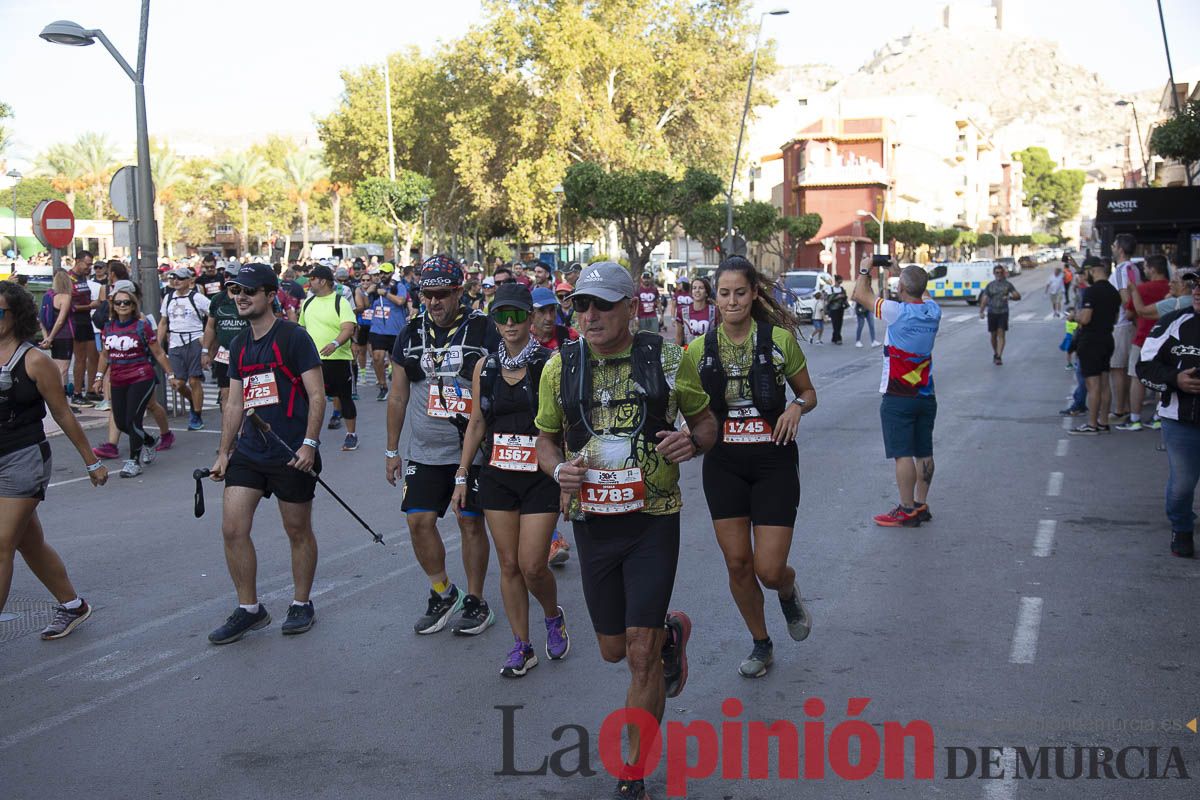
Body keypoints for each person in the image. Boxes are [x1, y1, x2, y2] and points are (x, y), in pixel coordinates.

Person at [534, 262, 717, 800]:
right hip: (592, 522)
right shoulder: (560, 367)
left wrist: (693, 442)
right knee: (615, 649)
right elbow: (545, 441)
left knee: (638, 652)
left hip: (653, 519)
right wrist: (555, 469)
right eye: (581, 306)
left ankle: (632, 770)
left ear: (630, 308)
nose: (589, 316)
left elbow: (705, 423)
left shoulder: (665, 357)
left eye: (602, 305)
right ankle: (670, 636)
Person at [687, 256, 816, 679]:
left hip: (773, 461)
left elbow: (808, 392)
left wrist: (796, 407)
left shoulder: (778, 339)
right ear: (714, 297)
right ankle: (761, 643)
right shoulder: (697, 349)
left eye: (740, 292)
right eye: (724, 293)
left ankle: (786, 589)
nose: (732, 300)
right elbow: (683, 406)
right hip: (723, 465)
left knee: (768, 568)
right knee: (739, 564)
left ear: (754, 293)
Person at [453, 283, 569, 677]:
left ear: (531, 318)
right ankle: (522, 645)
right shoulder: (485, 368)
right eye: (500, 316)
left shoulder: (550, 364)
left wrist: (569, 479)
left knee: (533, 564)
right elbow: (476, 423)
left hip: (540, 476)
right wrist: (462, 474)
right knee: (508, 564)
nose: (509, 323)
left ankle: (552, 615)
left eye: (517, 315)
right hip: (498, 476)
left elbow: (566, 426)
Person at [206, 263, 326, 643]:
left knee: (297, 530)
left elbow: (317, 395)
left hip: (292, 452)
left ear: (270, 295)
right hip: (251, 451)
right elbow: (234, 403)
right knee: (232, 528)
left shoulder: (294, 337)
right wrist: (224, 452)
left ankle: (301, 603)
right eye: (234, 291)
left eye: (248, 291)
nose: (240, 297)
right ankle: (249, 609)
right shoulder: (238, 345)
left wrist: (310, 444)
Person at [386, 255, 500, 636]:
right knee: (418, 521)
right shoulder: (409, 333)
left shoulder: (483, 329)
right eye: (426, 294)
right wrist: (391, 451)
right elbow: (398, 397)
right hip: (424, 451)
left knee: (469, 523)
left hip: (470, 449)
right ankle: (443, 591)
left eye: (441, 294)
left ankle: (476, 600)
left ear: (459, 291)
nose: (433, 302)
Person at [0, 280, 108, 639]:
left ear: (15, 317)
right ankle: (73, 605)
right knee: (28, 542)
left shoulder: (34, 361)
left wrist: (91, 461)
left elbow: (62, 414)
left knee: (2, 544)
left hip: (23, 460)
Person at [851, 257, 941, 527]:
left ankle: (906, 508)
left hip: (898, 395)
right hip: (926, 394)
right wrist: (903, 274)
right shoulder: (933, 310)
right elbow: (920, 288)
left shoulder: (897, 312)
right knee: (923, 450)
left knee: (903, 453)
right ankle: (921, 504)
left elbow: (859, 294)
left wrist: (865, 266)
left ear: (900, 288)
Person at [1136, 268, 1200, 558]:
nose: (1196, 291)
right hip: (1180, 421)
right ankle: (1182, 527)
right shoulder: (1173, 322)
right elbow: (1145, 366)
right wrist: (1176, 380)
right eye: (1195, 285)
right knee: (1183, 485)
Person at [92, 281, 176, 478]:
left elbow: (158, 352)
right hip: (118, 378)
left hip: (141, 377)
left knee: (133, 420)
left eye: (127, 303)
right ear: (113, 305)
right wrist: (98, 377)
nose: (122, 306)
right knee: (121, 423)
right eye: (119, 303)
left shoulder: (141, 326)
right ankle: (148, 441)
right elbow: (105, 355)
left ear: (133, 305)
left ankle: (133, 461)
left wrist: (171, 375)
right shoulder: (108, 327)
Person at [528, 287, 577, 566]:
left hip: (562, 418)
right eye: (541, 311)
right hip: (531, 418)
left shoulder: (567, 337)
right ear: (530, 314)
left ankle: (554, 533)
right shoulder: (523, 338)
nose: (548, 317)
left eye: (552, 310)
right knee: (539, 476)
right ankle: (552, 537)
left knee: (558, 475)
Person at [298, 264, 360, 451]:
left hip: (338, 359)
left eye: (312, 279)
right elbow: (301, 329)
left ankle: (351, 435)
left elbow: (348, 328)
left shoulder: (340, 302)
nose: (309, 282)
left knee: (344, 397)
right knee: (311, 399)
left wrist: (335, 344)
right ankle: (310, 438)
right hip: (312, 362)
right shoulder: (307, 303)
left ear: (323, 281)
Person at [1117, 255, 1171, 431]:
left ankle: (1135, 418)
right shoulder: (1172, 289)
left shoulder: (1142, 289)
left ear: (1153, 269)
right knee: (1161, 379)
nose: (1145, 271)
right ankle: (1158, 417)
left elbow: (1131, 313)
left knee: (1137, 377)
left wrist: (1132, 292)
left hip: (1143, 338)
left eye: (1146, 267)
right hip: (1167, 339)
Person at [1069, 258, 1122, 436]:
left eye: (1086, 273)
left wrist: (1073, 316)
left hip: (1091, 340)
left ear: (1092, 271)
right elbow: (1114, 319)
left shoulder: (1092, 292)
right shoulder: (1114, 292)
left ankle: (1092, 424)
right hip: (1107, 338)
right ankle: (1103, 422)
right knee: (1105, 384)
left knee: (1093, 386)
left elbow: (1085, 318)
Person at [159, 266, 211, 431]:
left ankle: (196, 414)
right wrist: (158, 344)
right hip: (175, 342)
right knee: (178, 382)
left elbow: (213, 316)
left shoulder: (198, 298)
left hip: (195, 339)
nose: (176, 281)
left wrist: (208, 340)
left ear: (190, 281)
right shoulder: (168, 298)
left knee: (194, 380)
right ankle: (193, 401)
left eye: (180, 278)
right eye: (173, 278)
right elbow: (163, 322)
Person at [1109, 233, 1141, 423]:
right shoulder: (1133, 268)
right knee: (1125, 369)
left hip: (1121, 324)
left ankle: (1121, 409)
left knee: (1118, 368)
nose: (1112, 248)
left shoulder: (1122, 270)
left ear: (1120, 249)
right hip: (1128, 324)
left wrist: (1128, 316)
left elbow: (1126, 298)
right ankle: (1126, 406)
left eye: (1114, 245)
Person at [366, 268, 408, 401]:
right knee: (377, 358)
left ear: (391, 274)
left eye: (385, 273)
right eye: (380, 273)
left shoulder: (398, 286)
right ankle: (383, 386)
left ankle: (397, 386)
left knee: (395, 361)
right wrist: (368, 292)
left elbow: (401, 301)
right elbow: (366, 305)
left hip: (395, 330)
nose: (382, 276)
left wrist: (385, 294)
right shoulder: (375, 287)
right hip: (377, 329)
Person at [68, 251, 100, 406]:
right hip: (76, 322)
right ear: (78, 261)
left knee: (93, 356)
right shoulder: (69, 278)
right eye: (87, 264)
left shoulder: (83, 278)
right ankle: (77, 392)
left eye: (90, 265)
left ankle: (91, 390)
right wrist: (88, 306)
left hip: (87, 320)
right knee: (80, 358)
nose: (89, 268)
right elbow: (68, 305)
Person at [39, 268, 76, 388]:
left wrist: (47, 337)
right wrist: (50, 338)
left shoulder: (48, 296)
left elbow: (41, 318)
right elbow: (61, 320)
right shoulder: (66, 297)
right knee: (63, 369)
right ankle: (60, 399)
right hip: (64, 336)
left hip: (51, 336)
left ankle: (59, 399)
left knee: (56, 367)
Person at [978, 264, 1021, 365]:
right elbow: (984, 298)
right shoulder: (990, 285)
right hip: (992, 312)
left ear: (1004, 273)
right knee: (993, 335)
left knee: (1001, 333)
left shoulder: (1008, 285)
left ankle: (998, 356)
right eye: (997, 272)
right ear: (994, 273)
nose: (999, 274)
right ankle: (995, 352)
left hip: (1003, 312)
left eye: (1001, 272)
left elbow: (1017, 296)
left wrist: (1010, 297)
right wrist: (981, 311)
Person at [675, 277, 716, 346]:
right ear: (691, 292)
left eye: (701, 288)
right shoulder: (682, 312)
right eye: (694, 288)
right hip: (689, 353)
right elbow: (679, 337)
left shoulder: (715, 311)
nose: (697, 290)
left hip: (708, 353)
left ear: (706, 293)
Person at [826, 274, 848, 345]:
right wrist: (837, 296)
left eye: (840, 282)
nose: (839, 284)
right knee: (835, 324)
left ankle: (834, 337)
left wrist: (844, 297)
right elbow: (828, 299)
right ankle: (838, 338)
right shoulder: (831, 289)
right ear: (835, 281)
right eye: (838, 282)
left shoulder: (842, 289)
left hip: (841, 308)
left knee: (839, 323)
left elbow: (845, 298)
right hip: (833, 309)